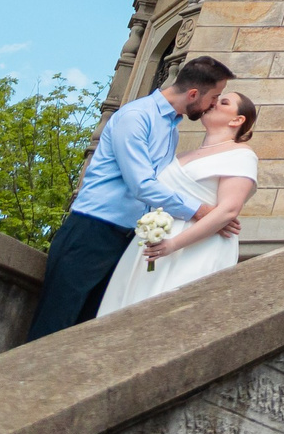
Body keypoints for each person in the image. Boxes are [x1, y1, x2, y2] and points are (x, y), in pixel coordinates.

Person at [25, 57, 239, 339]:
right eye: (214, 97)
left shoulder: (171, 130)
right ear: (193, 94)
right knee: (54, 326)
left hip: (126, 242)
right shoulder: (136, 117)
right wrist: (200, 211)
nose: (214, 104)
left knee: (86, 333)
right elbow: (142, 185)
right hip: (91, 232)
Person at [95, 89, 257, 314]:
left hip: (196, 247)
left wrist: (173, 244)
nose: (214, 103)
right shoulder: (179, 156)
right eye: (215, 98)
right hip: (154, 243)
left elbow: (228, 210)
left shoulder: (240, 155)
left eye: (224, 102)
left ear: (237, 119)